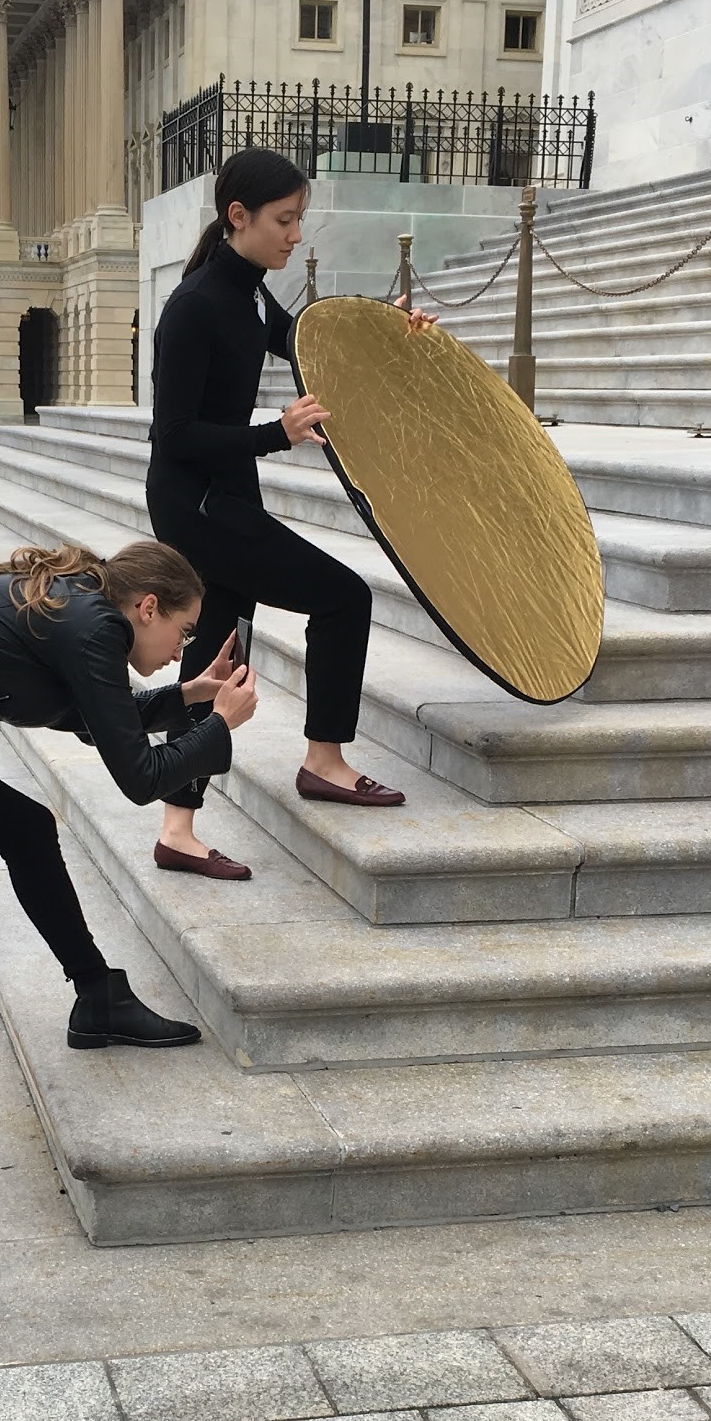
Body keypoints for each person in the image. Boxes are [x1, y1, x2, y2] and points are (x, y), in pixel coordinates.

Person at [0, 538, 254, 1195]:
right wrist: (220, 727)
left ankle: (97, 997)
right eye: (183, 631)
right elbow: (141, 777)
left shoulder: (83, 608)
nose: (180, 649)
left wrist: (193, 695)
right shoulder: (93, 627)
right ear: (147, 607)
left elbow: (103, 721)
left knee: (26, 828)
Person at [144, 148, 432, 881]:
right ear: (237, 218)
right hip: (198, 504)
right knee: (343, 596)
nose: (295, 234)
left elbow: (304, 341)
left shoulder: (247, 293)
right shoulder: (195, 306)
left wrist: (388, 332)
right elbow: (173, 435)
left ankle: (178, 827)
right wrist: (278, 431)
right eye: (284, 219)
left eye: (299, 218)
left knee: (218, 654)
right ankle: (324, 759)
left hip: (226, 496)